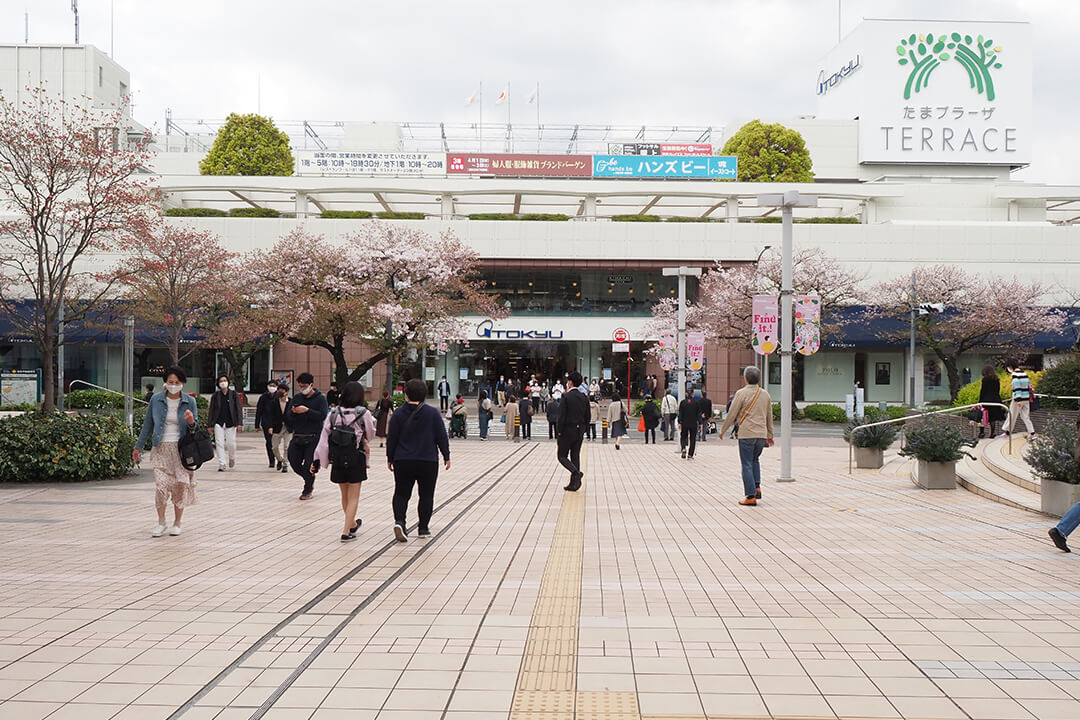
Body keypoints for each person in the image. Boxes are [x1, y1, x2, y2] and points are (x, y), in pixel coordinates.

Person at [134, 366, 198, 537]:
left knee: (179, 486)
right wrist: (138, 447)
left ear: (183, 383)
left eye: (177, 382)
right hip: (161, 448)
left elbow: (195, 427)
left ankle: (177, 523)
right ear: (165, 382)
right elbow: (148, 425)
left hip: (181, 450)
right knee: (160, 485)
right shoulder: (156, 400)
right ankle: (161, 522)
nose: (174, 385)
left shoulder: (189, 401)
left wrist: (191, 421)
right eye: (170, 382)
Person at [386, 378, 450, 542]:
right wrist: (446, 455)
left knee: (401, 493)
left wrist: (390, 457)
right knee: (426, 495)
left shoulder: (399, 413)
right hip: (427, 460)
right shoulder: (432, 413)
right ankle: (423, 528)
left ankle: (400, 522)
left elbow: (391, 437)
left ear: (406, 394)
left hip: (403, 459)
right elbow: (441, 436)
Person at [313, 381, 375, 542]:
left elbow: (324, 438)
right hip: (356, 456)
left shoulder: (333, 413)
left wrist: (317, 460)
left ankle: (352, 523)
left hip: (338, 457)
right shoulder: (363, 413)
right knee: (354, 496)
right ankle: (346, 531)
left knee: (345, 494)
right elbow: (371, 434)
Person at [719, 366, 775, 506]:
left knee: (747, 463)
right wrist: (770, 435)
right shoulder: (765, 394)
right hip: (761, 435)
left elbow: (732, 413)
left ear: (746, 378)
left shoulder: (741, 393)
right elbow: (769, 416)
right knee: (755, 460)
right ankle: (757, 487)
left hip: (747, 433)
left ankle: (750, 496)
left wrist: (723, 430)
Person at [286, 372, 329, 500]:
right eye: (300, 386)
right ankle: (308, 478)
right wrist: (294, 412)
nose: (302, 389)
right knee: (293, 461)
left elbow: (322, 415)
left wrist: (307, 411)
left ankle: (307, 488)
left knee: (308, 465)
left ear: (311, 385)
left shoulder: (320, 398)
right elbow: (288, 415)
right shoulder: (297, 398)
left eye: (304, 386)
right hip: (298, 435)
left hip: (313, 437)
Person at [556, 372, 590, 491]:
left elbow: (561, 416)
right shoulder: (584, 397)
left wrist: (559, 430)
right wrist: (583, 429)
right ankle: (574, 483)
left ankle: (576, 473)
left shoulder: (566, 396)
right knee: (575, 455)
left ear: (570, 382)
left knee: (561, 455)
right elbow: (588, 416)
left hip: (567, 430)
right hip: (579, 430)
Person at [208, 374, 242, 472]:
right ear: (218, 384)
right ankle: (222, 463)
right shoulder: (215, 395)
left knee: (231, 443)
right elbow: (211, 410)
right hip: (218, 422)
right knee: (219, 443)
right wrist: (210, 424)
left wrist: (239, 423)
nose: (223, 382)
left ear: (228, 382)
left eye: (225, 380)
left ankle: (232, 457)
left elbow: (238, 409)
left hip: (231, 422)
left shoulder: (233, 394)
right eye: (221, 381)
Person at [254, 380, 280, 469]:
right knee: (269, 442)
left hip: (277, 423)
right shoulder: (263, 397)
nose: (272, 387)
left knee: (276, 442)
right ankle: (271, 460)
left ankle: (279, 459)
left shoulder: (279, 396)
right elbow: (259, 411)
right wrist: (256, 425)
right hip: (266, 423)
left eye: (274, 385)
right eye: (270, 385)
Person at [1006, 363, 1036, 438]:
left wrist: (1018, 399)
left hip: (1018, 399)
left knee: (1012, 415)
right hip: (1026, 398)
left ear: (1010, 367)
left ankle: (1007, 432)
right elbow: (1029, 385)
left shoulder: (1015, 375)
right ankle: (1032, 432)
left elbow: (1017, 387)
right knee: (1025, 416)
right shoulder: (1024, 374)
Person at [977, 365, 1005, 439]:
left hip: (986, 401)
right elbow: (997, 390)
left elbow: (983, 391)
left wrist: (980, 401)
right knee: (992, 419)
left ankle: (982, 433)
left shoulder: (985, 380)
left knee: (983, 416)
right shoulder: (996, 379)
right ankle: (992, 433)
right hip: (995, 400)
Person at [269, 382, 292, 472]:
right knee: (274, 447)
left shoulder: (291, 401)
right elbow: (270, 415)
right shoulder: (274, 402)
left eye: (282, 390)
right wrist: (270, 426)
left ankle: (285, 464)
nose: (280, 392)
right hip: (277, 427)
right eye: (279, 390)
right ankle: (280, 460)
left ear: (286, 392)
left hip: (288, 427)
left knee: (287, 446)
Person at [678, 391, 700, 459]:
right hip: (693, 423)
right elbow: (698, 414)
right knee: (692, 438)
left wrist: (679, 422)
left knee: (683, 437)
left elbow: (680, 413)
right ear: (693, 394)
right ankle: (690, 454)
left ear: (686, 394)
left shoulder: (683, 402)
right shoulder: (696, 403)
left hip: (684, 423)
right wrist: (700, 423)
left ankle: (683, 448)